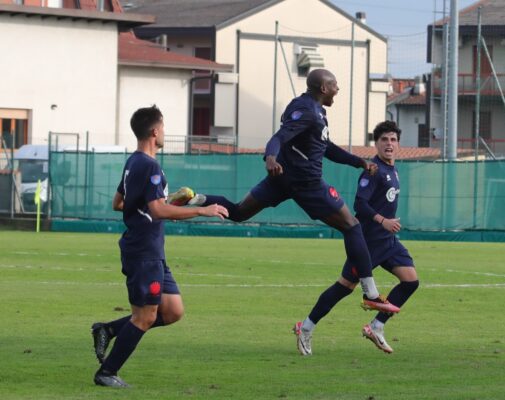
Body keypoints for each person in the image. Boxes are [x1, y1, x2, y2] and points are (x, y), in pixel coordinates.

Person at [194, 69, 399, 319]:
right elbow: (279, 137)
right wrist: (270, 157)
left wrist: (359, 162)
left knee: (237, 212)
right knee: (352, 226)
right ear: (324, 88)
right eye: (334, 84)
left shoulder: (310, 108)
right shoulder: (310, 113)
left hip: (281, 179)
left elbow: (327, 148)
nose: (338, 88)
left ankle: (197, 198)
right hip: (308, 184)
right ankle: (370, 292)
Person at [91, 105, 228, 388]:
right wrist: (202, 211)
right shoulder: (150, 166)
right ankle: (106, 372)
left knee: (173, 311)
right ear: (155, 131)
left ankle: (109, 329)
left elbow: (119, 203)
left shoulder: (134, 162)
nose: (164, 132)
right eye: (163, 127)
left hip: (150, 249)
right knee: (146, 317)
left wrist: (164, 205)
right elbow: (157, 211)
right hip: (143, 250)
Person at [294, 121, 419, 355]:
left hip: (388, 242)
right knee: (344, 287)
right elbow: (360, 204)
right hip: (367, 244)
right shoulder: (373, 171)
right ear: (377, 144)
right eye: (384, 140)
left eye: (393, 139)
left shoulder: (393, 169)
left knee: (411, 281)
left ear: (398, 144)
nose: (389, 144)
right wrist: (383, 221)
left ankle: (377, 326)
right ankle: (306, 328)